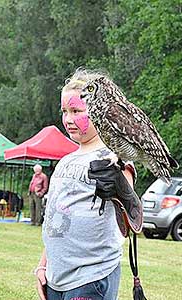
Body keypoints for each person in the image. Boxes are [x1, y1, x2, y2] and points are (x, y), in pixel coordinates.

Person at [34, 69, 135, 300]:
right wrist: (43, 266)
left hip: (91, 277)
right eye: (65, 111)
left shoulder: (113, 157)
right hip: (56, 278)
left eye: (77, 111)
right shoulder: (65, 161)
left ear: (101, 110)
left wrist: (120, 188)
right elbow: (55, 223)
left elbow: (131, 214)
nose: (68, 119)